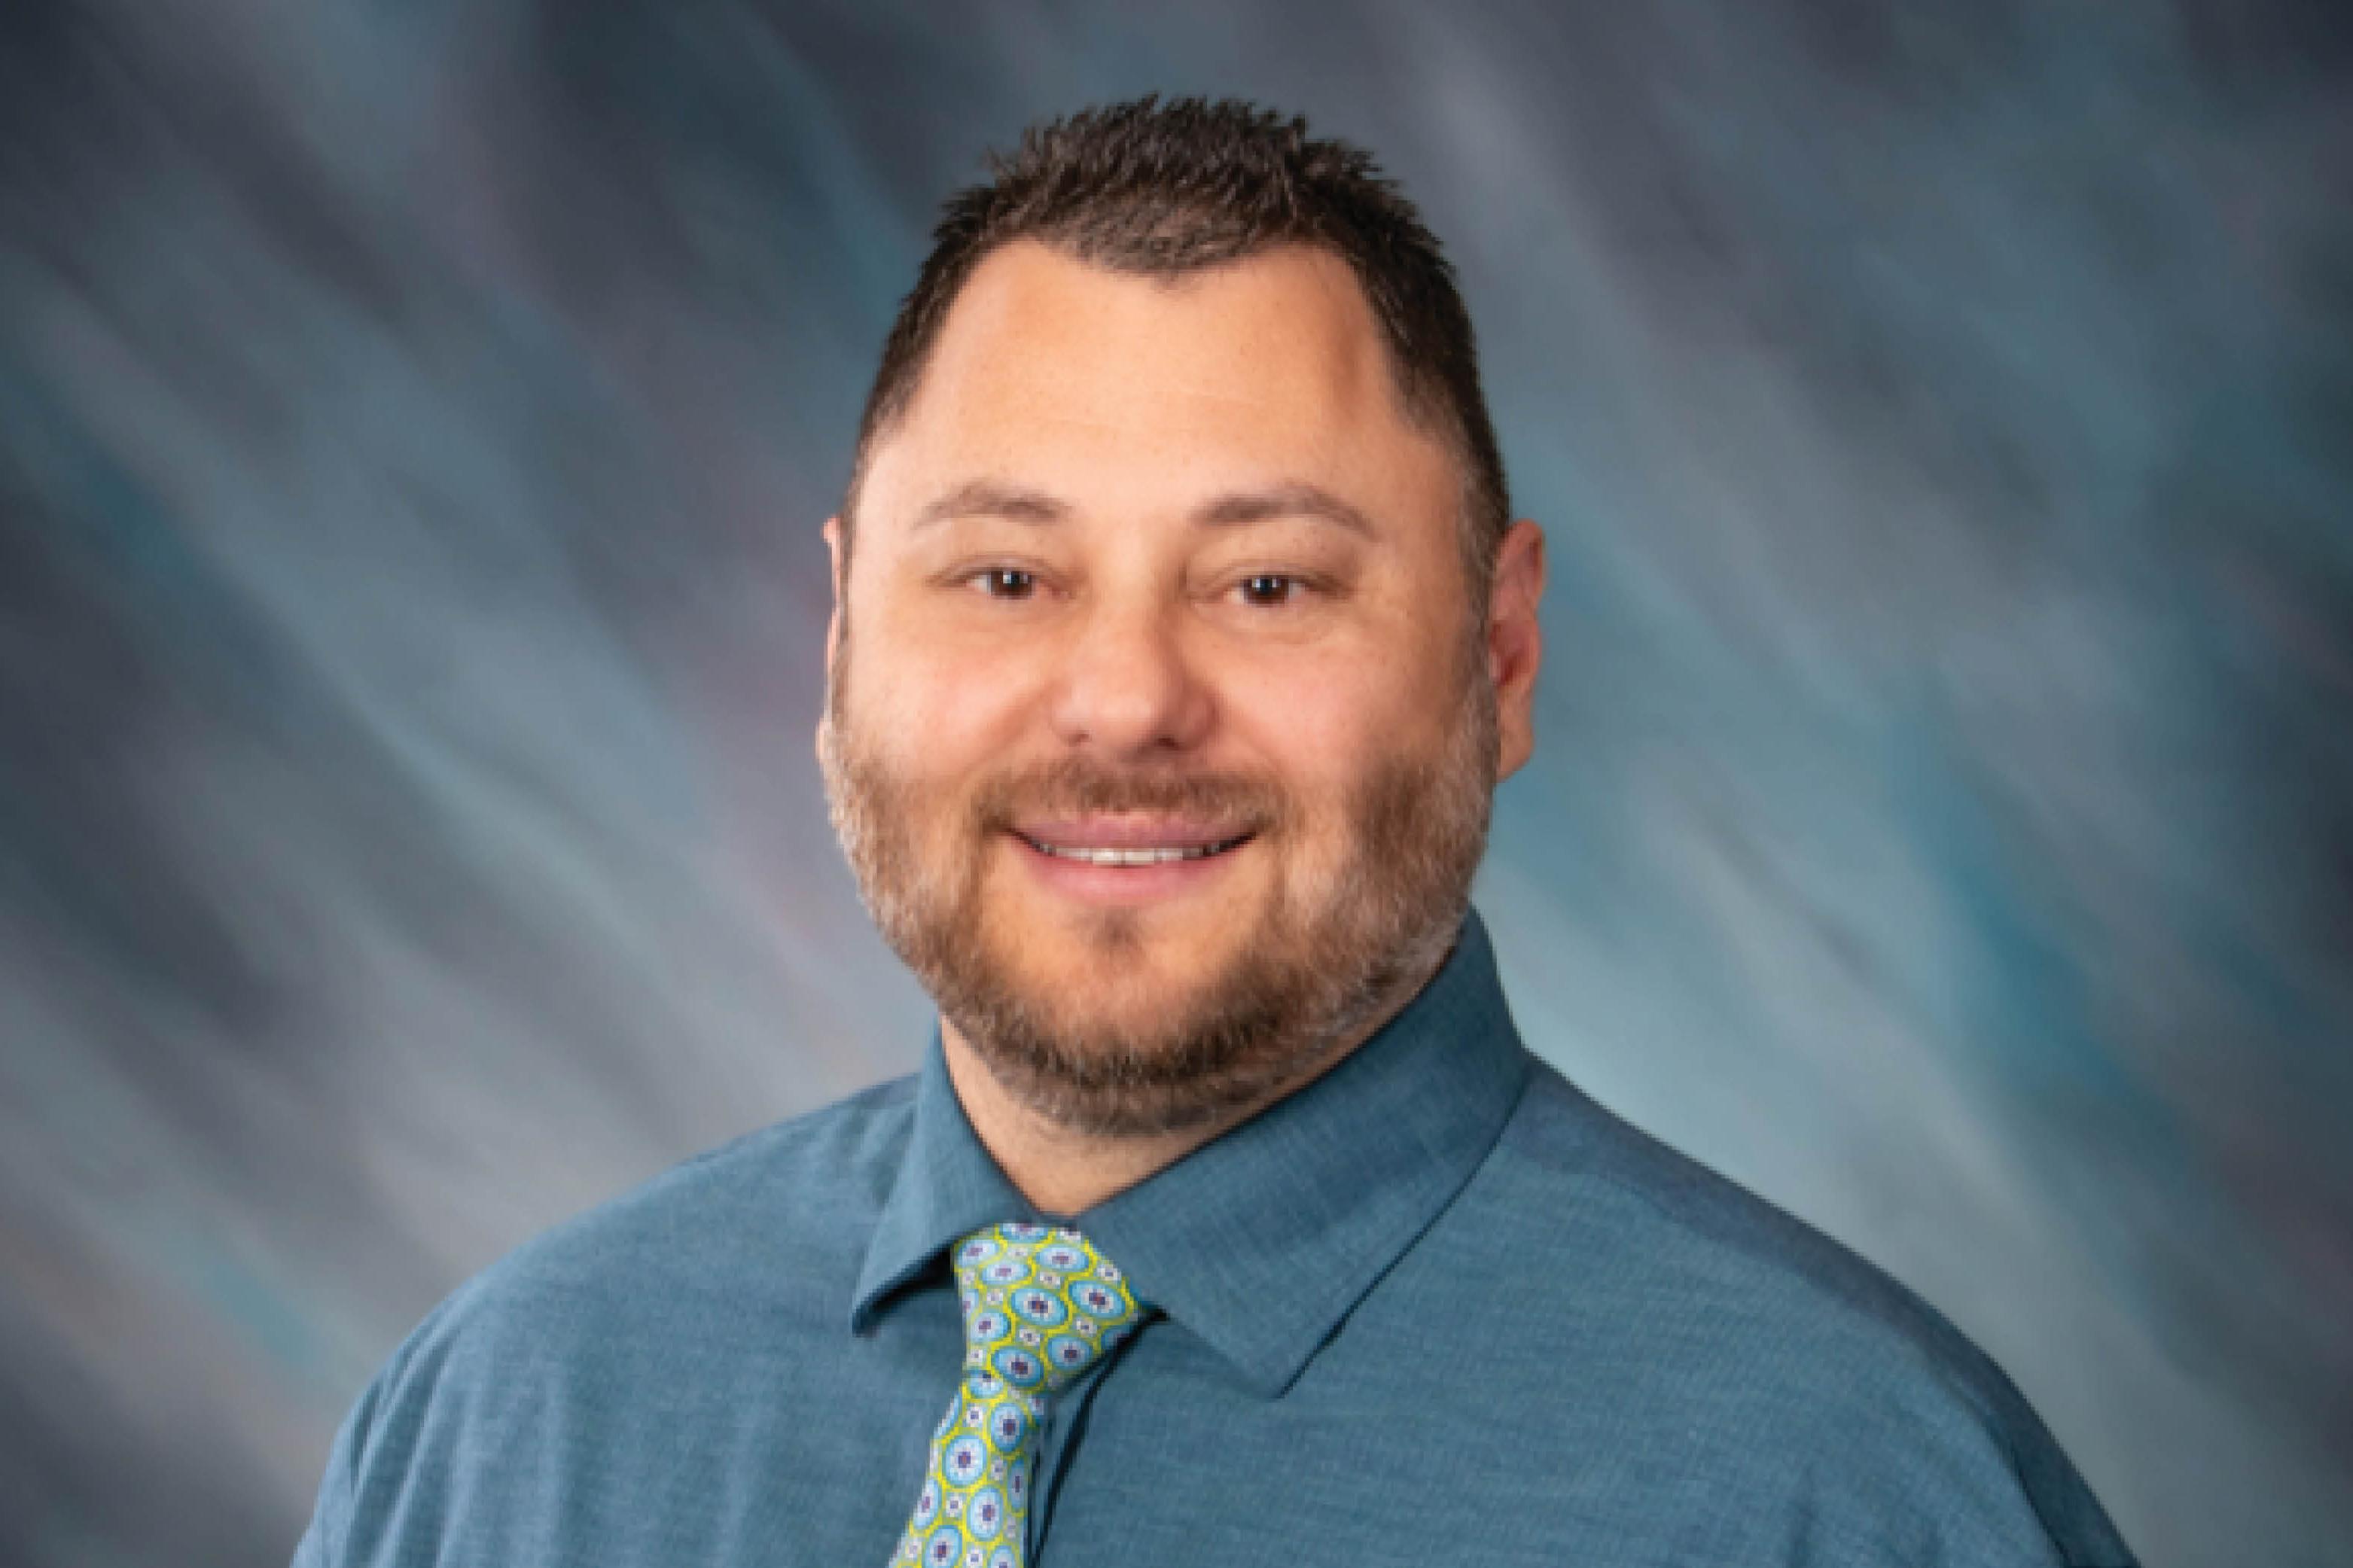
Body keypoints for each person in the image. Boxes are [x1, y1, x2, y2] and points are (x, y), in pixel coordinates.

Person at [291, 95, 2138, 1567]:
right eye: (1006, 574)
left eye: (1267, 583)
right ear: (844, 631)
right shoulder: (506, 1422)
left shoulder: (1847, 1491)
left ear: (1500, 653)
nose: (1122, 701)